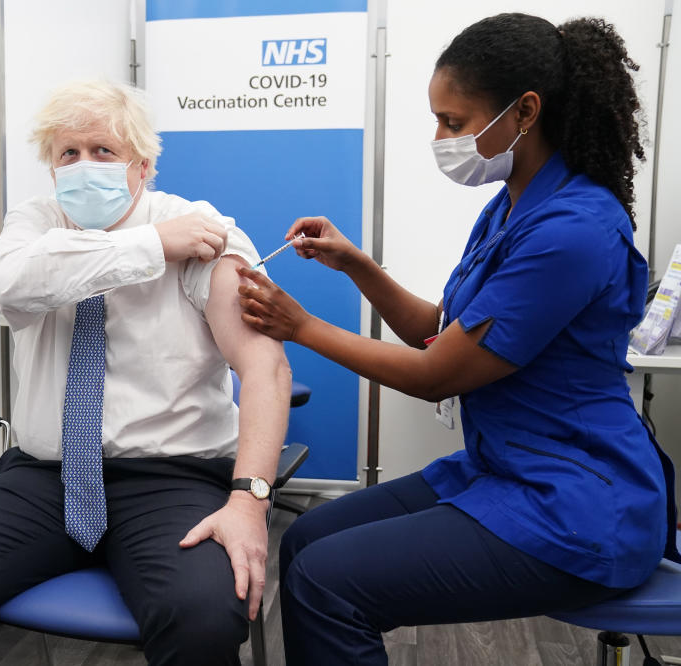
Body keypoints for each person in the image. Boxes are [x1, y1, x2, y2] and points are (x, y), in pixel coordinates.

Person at [235, 13, 679, 666]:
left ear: (525, 111)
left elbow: (437, 373)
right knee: (307, 541)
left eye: (453, 121)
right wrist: (355, 263)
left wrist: (298, 326)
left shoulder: (573, 229)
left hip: (575, 500)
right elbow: (437, 330)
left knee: (326, 582)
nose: (440, 138)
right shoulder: (511, 206)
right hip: (501, 466)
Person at [0, 80, 291, 666]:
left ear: (143, 165)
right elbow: (12, 284)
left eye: (103, 151)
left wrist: (248, 500)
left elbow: (264, 366)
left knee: (202, 618)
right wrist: (151, 246)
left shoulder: (201, 227)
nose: (84, 165)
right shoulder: (39, 223)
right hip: (46, 477)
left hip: (172, 477)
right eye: (69, 153)